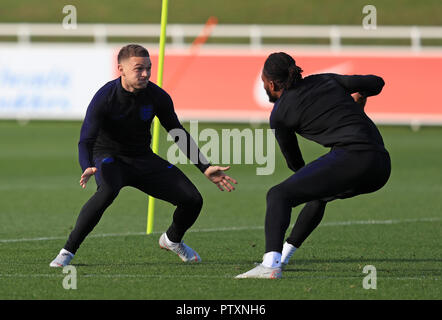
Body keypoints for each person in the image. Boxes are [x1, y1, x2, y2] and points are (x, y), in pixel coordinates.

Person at [50, 44, 237, 267]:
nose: (146, 74)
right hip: (109, 158)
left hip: (142, 159)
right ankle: (67, 252)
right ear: (121, 69)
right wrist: (86, 165)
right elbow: (86, 140)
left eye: (148, 68)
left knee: (193, 200)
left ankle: (172, 240)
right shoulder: (104, 98)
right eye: (139, 69)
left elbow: (177, 132)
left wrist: (205, 167)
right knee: (107, 191)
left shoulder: (157, 96)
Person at [236, 52, 390, 279]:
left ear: (271, 83)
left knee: (278, 195)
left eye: (264, 83)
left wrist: (306, 178)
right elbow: (377, 82)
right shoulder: (325, 79)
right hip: (381, 165)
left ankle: (270, 265)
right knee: (319, 194)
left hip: (353, 157)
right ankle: (284, 256)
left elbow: (294, 162)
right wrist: (361, 100)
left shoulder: (279, 114)